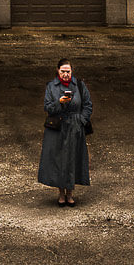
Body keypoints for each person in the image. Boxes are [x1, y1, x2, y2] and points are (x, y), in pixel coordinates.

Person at [38, 58, 92, 207]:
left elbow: (87, 104)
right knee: (58, 161)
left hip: (75, 127)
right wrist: (59, 103)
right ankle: (61, 194)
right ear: (58, 71)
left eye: (68, 71)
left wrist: (81, 120)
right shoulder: (51, 86)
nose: (66, 74)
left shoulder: (80, 85)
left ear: (72, 71)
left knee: (73, 159)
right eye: (63, 71)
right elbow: (47, 108)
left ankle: (70, 194)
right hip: (58, 129)